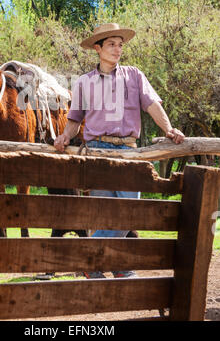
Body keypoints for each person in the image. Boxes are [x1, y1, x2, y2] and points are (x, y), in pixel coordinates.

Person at [54, 22, 185, 279]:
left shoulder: (134, 75)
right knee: (105, 214)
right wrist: (64, 136)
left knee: (130, 213)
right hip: (96, 151)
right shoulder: (83, 83)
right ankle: (117, 266)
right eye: (111, 44)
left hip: (128, 151)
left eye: (120, 45)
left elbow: (153, 105)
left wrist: (169, 129)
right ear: (97, 48)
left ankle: (88, 258)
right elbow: (74, 119)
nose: (117, 49)